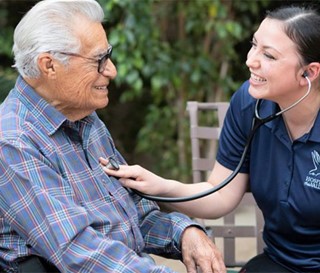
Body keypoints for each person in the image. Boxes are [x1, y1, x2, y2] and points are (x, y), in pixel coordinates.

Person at [0, 0, 226, 272]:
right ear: (49, 66)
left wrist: (185, 232)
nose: (112, 70)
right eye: (99, 60)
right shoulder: (13, 141)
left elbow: (134, 215)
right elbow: (78, 251)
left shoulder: (84, 119)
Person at [104, 5, 320, 273]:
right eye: (254, 45)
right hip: (279, 261)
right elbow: (220, 194)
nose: (250, 60)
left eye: (268, 55)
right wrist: (159, 186)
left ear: (308, 73)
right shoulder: (249, 103)